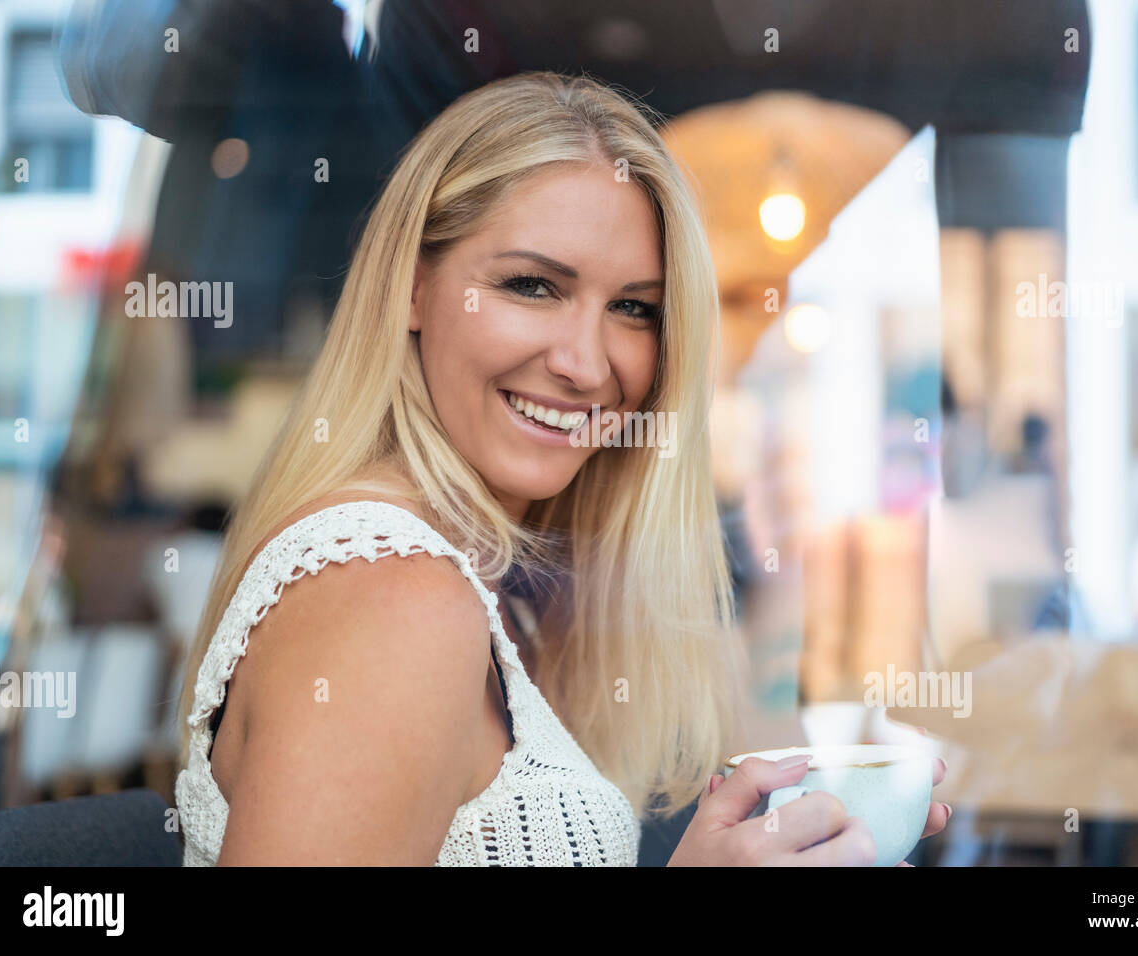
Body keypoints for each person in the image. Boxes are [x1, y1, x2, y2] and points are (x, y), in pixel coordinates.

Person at [173, 71, 948, 865]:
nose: (584, 364)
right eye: (532, 286)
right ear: (412, 285)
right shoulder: (395, 593)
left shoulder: (480, 585)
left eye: (633, 308)